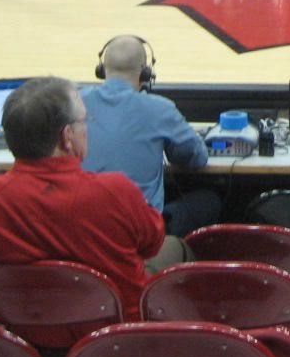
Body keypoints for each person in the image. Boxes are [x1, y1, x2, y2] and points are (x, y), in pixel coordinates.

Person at [0, 77, 177, 318]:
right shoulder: (117, 191)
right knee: (177, 247)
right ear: (67, 137)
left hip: (17, 353)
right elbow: (152, 245)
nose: (88, 128)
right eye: (84, 121)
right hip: (111, 348)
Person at [82, 36, 221, 237]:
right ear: (146, 72)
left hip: (84, 228)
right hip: (139, 234)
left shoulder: (75, 103)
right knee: (209, 201)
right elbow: (197, 158)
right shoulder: (160, 109)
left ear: (102, 69)